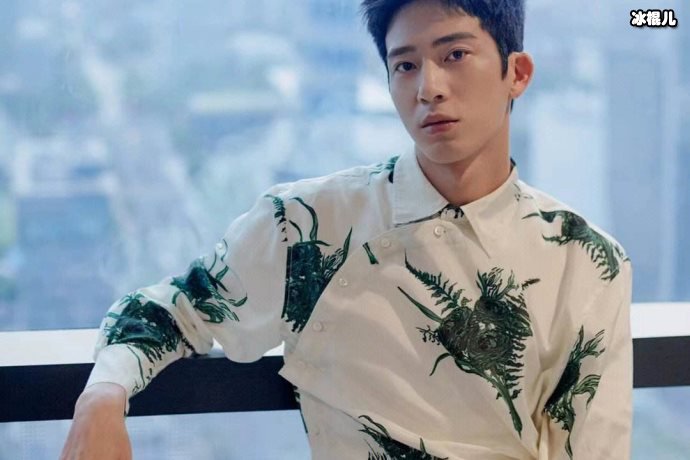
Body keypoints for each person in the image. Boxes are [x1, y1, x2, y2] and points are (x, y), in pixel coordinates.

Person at [61, 0, 633, 458]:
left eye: (455, 54)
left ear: (517, 73)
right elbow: (172, 310)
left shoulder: (585, 261)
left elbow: (595, 447)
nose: (428, 87)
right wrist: (101, 398)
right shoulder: (310, 226)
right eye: (405, 65)